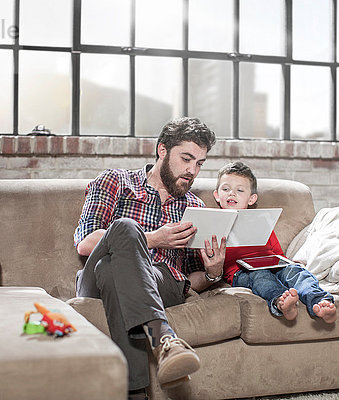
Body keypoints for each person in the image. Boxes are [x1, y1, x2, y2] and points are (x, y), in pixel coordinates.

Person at [73, 117, 226, 399]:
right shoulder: (116, 182)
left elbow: (190, 282)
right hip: (93, 282)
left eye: (200, 163)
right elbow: (85, 243)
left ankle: (136, 393)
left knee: (112, 270)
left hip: (160, 281)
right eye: (186, 159)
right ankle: (164, 338)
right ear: (162, 150)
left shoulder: (195, 207)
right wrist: (155, 238)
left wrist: (213, 273)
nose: (192, 171)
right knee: (124, 228)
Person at [214, 161, 337, 323]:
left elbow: (277, 253)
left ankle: (320, 301)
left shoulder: (261, 221)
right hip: (240, 271)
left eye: (240, 190)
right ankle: (281, 302)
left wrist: (288, 262)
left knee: (295, 271)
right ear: (217, 195)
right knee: (260, 276)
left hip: (272, 264)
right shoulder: (215, 223)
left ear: (251, 199)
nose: (232, 193)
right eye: (226, 189)